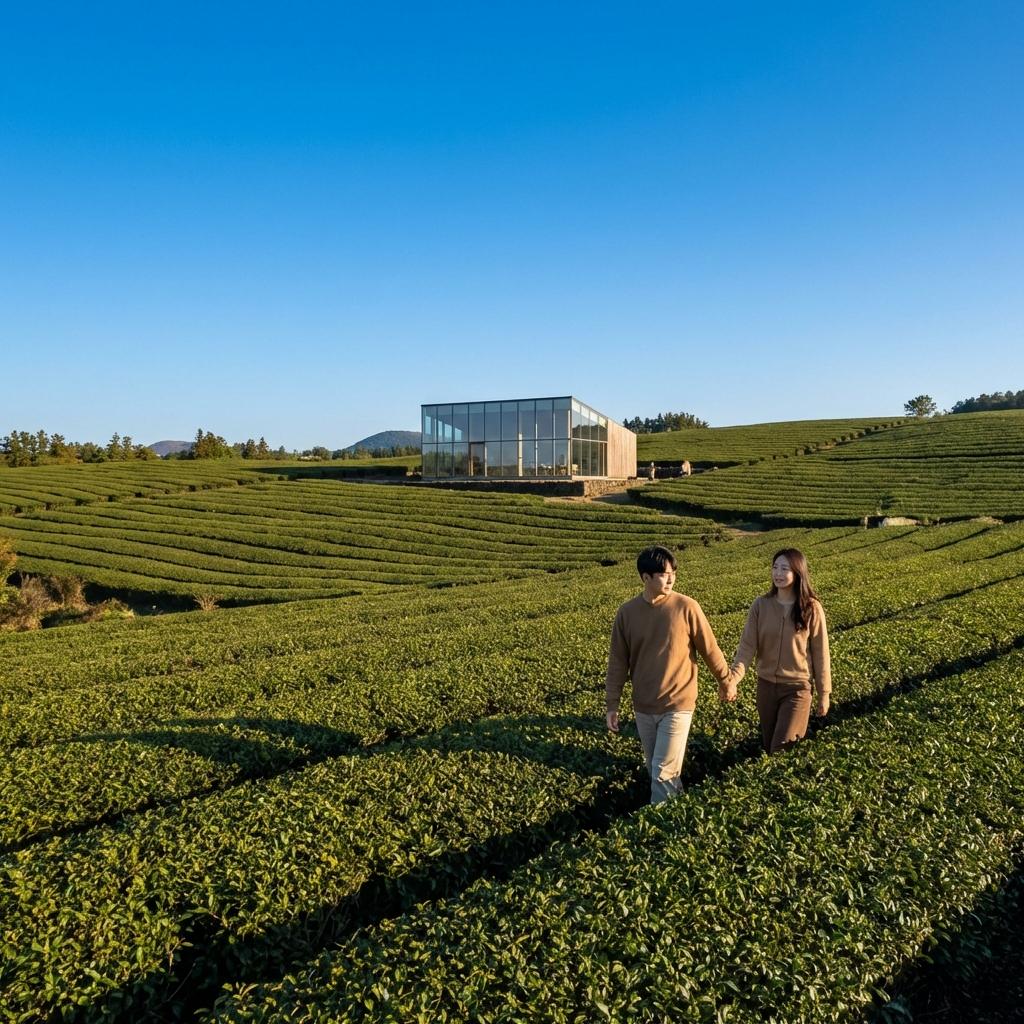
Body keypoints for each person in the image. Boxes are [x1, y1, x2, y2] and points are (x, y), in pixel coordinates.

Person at [606, 545, 732, 804]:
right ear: (645, 578)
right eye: (664, 574)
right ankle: (681, 817)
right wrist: (612, 704)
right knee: (660, 771)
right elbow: (618, 661)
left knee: (662, 773)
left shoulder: (687, 607)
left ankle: (655, 837)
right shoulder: (627, 613)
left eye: (673, 572)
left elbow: (709, 648)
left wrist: (725, 681)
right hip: (644, 706)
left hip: (678, 704)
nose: (671, 578)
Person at [721, 548, 831, 753]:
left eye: (784, 569)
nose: (778, 573)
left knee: (781, 749)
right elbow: (746, 648)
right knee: (768, 746)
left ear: (798, 573)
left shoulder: (811, 608)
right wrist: (732, 680)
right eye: (775, 568)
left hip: (797, 689)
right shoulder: (761, 605)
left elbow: (820, 653)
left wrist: (824, 693)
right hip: (766, 688)